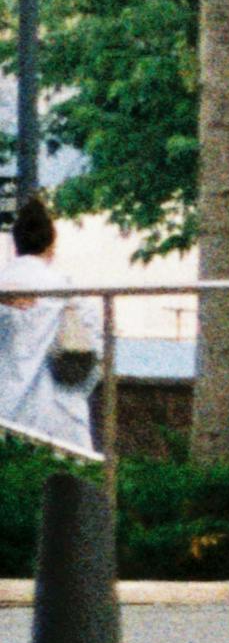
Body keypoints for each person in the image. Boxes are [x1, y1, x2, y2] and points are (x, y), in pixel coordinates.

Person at [0, 197, 89, 459]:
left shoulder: (3, 284)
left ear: (16, 244)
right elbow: (90, 346)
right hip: (57, 411)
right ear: (52, 244)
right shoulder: (65, 289)